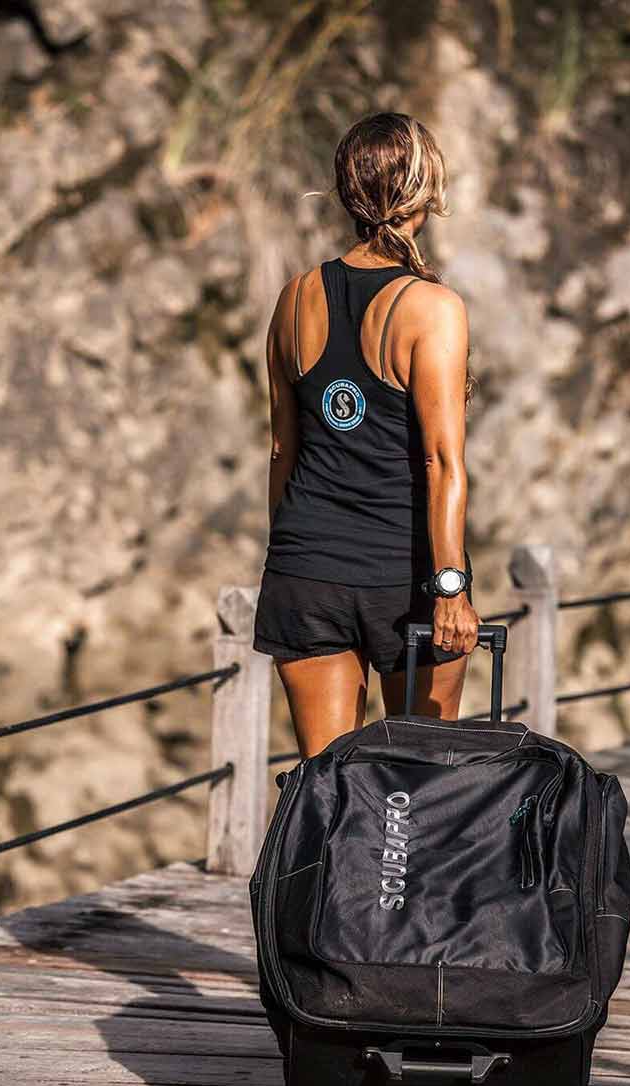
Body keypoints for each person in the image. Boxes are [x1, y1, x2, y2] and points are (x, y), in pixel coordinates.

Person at [253, 111, 480, 757]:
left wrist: (299, 555)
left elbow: (281, 450)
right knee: (415, 797)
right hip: (402, 576)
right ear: (427, 191)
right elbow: (442, 461)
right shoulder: (432, 309)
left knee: (326, 788)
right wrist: (451, 588)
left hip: (306, 572)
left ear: (347, 191)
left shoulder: (295, 298)